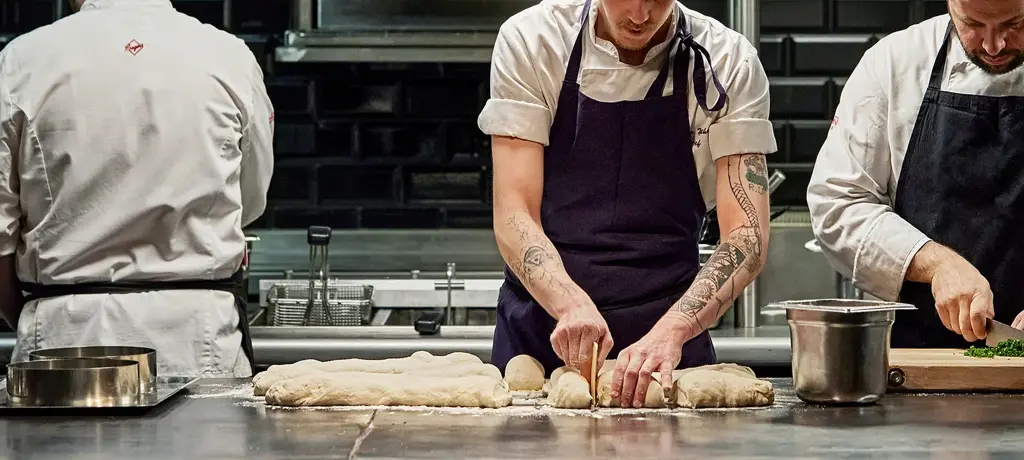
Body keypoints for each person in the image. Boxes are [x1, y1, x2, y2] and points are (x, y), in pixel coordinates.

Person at [479, 0, 775, 407]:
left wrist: (674, 330)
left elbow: (747, 235)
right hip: (542, 331)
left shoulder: (728, 62)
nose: (639, 15)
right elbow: (514, 212)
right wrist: (570, 305)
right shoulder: (534, 41)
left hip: (668, 345)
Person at [0, 0, 274, 377]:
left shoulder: (20, 61)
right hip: (197, 336)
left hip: (63, 337)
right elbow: (251, 199)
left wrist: (40, 315)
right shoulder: (230, 57)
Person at [807, 0, 1024, 348]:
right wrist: (936, 264)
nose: (993, 45)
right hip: (918, 358)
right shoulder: (896, 63)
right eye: (973, 25)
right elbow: (838, 205)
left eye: (1014, 24)